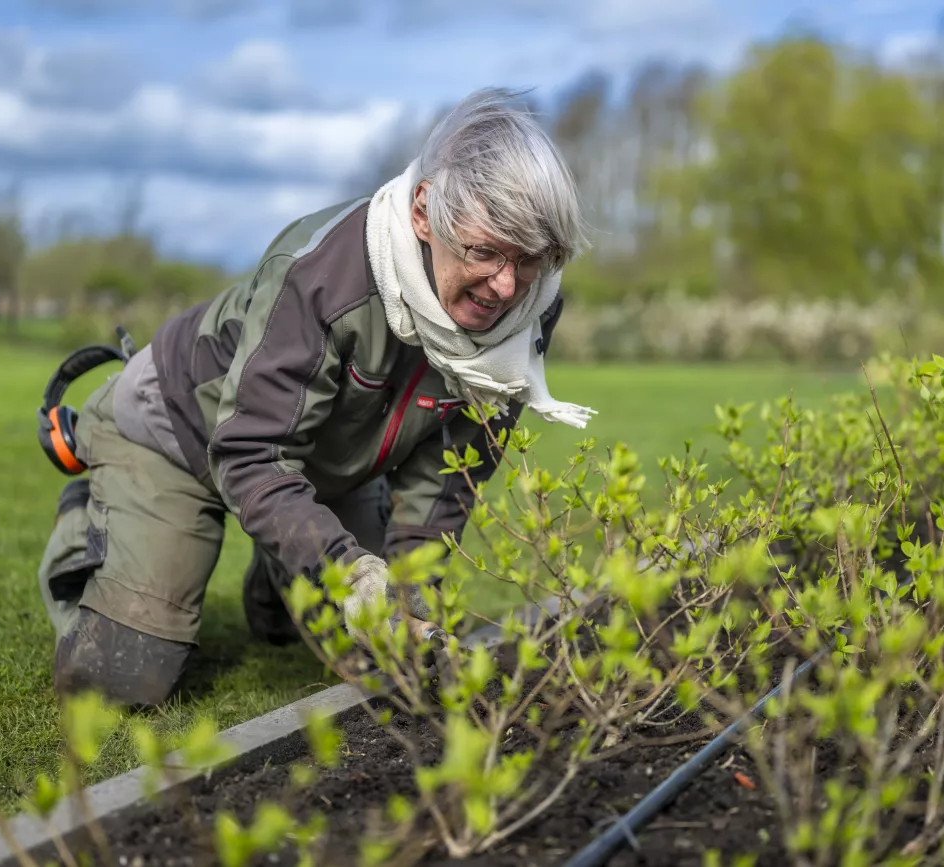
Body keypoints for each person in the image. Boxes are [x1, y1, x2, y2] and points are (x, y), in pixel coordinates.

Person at [35, 88, 594, 709]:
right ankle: (90, 517)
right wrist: (348, 569)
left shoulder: (527, 311)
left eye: (528, 260)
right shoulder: (319, 273)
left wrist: (407, 599)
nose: (506, 286)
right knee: (118, 680)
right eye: (485, 252)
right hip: (178, 430)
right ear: (423, 212)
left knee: (387, 662)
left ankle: (278, 563)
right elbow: (248, 452)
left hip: (319, 459)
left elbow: (448, 473)